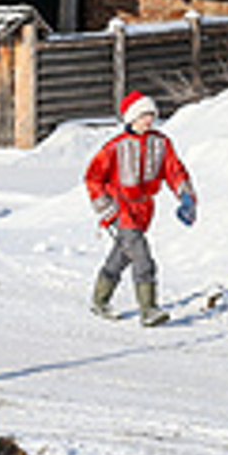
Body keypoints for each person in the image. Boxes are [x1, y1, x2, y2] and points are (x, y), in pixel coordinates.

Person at [84, 90, 196, 326]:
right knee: (142, 257)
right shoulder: (115, 147)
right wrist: (107, 209)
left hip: (144, 209)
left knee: (122, 256)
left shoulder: (161, 143)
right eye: (143, 115)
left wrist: (185, 196)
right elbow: (93, 178)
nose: (149, 119)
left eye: (151, 114)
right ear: (131, 118)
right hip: (120, 208)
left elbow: (174, 170)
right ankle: (149, 310)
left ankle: (99, 301)